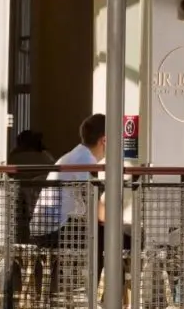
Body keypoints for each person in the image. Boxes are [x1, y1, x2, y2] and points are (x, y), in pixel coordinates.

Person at [30, 114, 130, 292]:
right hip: (55, 233)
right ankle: (110, 298)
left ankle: (104, 296)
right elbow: (102, 215)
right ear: (105, 140)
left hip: (44, 230)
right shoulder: (86, 161)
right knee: (125, 237)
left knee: (110, 233)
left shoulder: (74, 156)